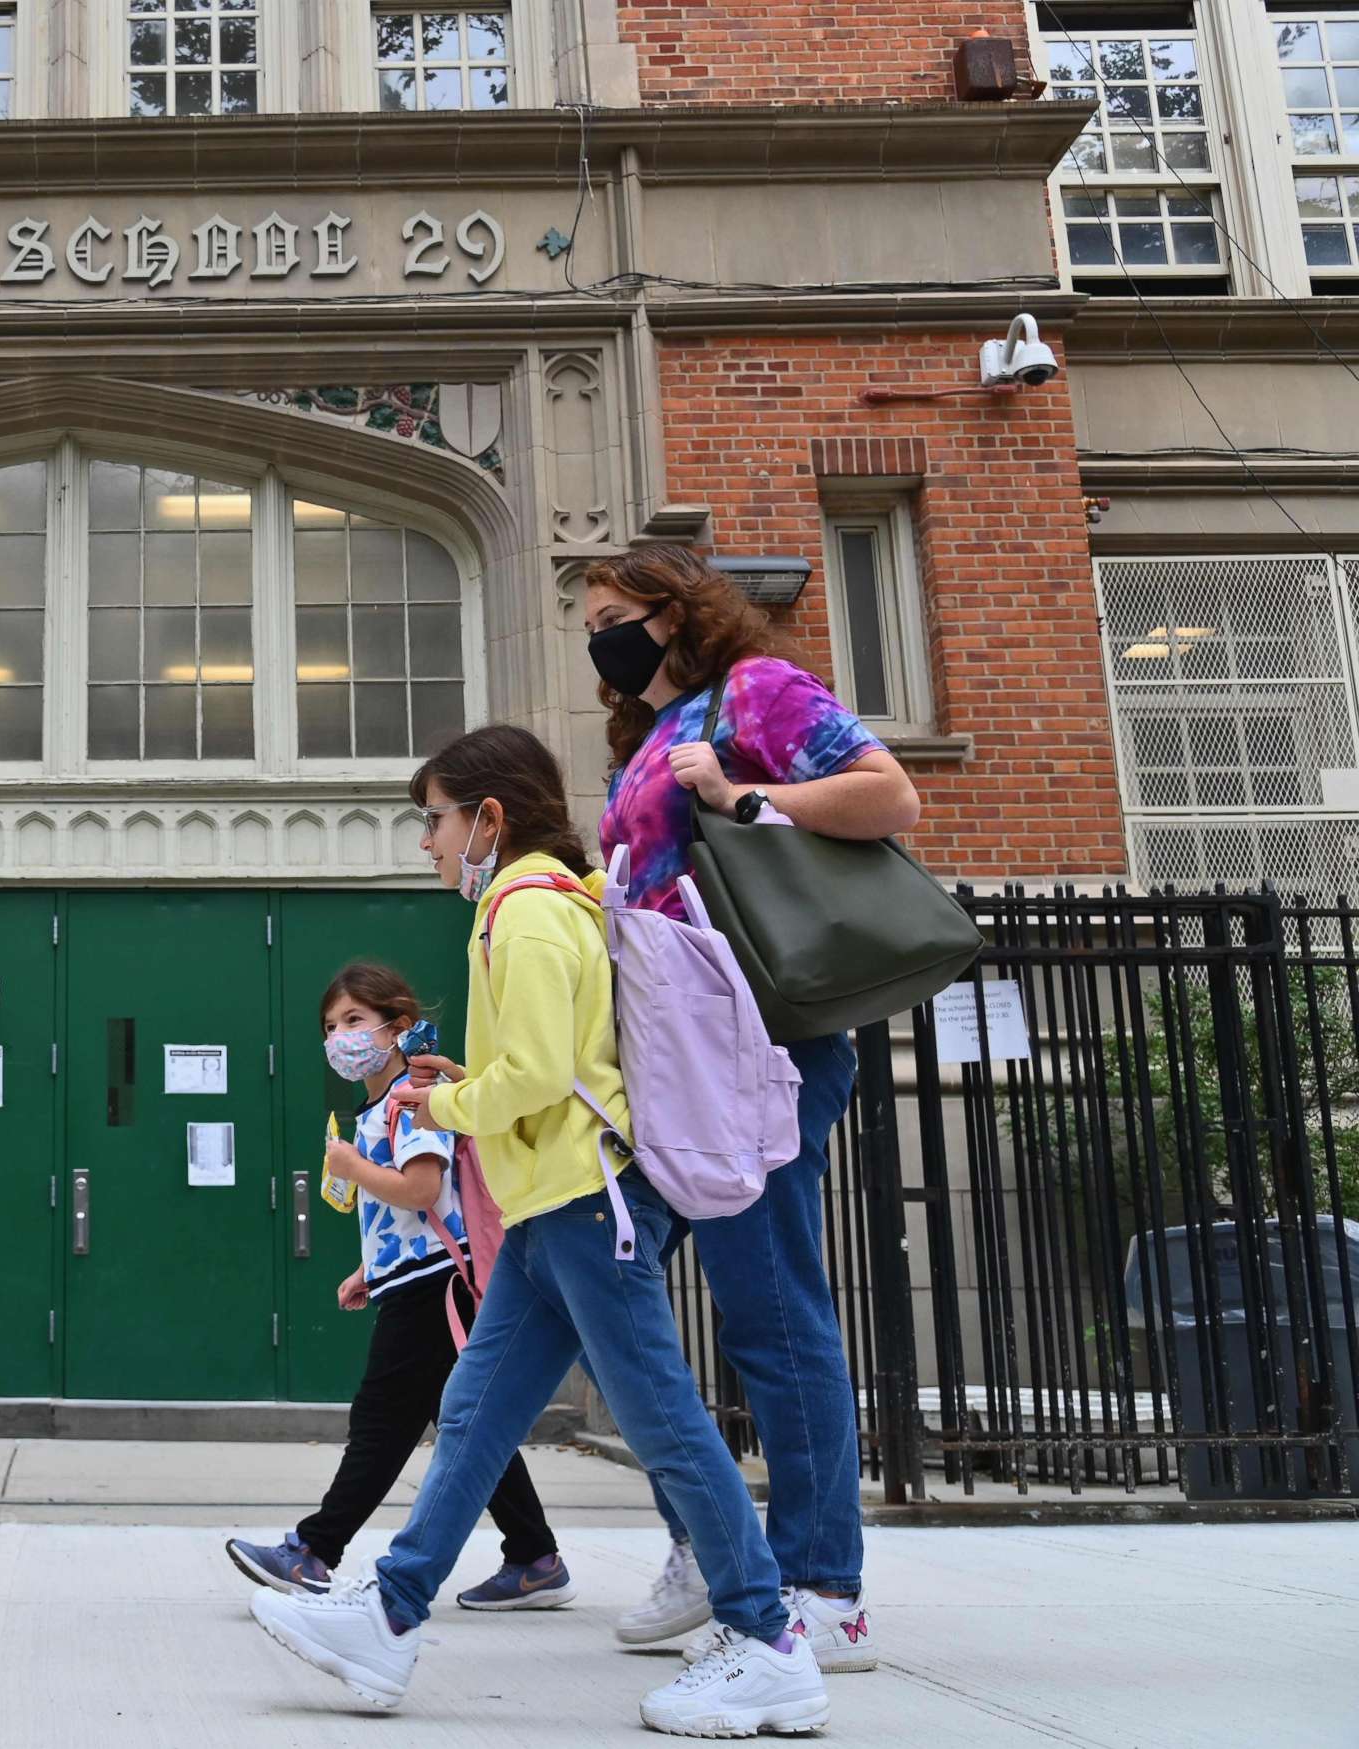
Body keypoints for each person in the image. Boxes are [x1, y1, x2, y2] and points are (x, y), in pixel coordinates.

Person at [249, 726, 829, 1737]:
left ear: (489, 818)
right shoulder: (547, 904)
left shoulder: (519, 910)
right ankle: (387, 1616)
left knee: (662, 1420)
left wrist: (440, 1109)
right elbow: (540, 1068)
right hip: (550, 1204)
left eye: (433, 820)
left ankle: (766, 1641)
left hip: (579, 1198)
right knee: (474, 1410)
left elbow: (540, 1076)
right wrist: (469, 1089)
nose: (427, 842)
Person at [583, 544, 922, 1674]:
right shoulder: (646, 735)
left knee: (770, 1313)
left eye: (615, 614)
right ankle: (713, 1546)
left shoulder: (756, 694)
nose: (600, 638)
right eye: (590, 622)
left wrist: (745, 794)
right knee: (606, 1289)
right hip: (674, 1054)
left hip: (760, 1045)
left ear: (677, 614)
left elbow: (888, 795)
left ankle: (825, 1586)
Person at [224, 961, 572, 1612]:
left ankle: (313, 1550)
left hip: (435, 1286)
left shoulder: (412, 1098)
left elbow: (420, 1188)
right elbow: (407, 1213)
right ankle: (534, 1555)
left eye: (355, 1019)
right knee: (469, 1421)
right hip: (417, 1277)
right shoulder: (380, 1105)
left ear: (398, 1025)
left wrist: (353, 1166)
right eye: (331, 1025)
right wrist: (369, 1269)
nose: (341, 1036)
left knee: (383, 1421)